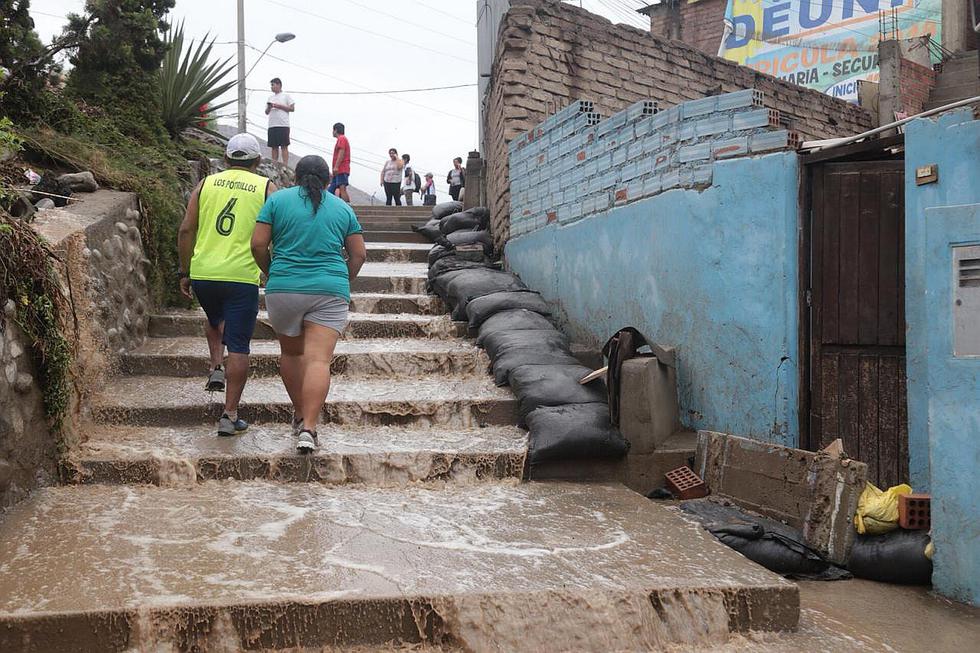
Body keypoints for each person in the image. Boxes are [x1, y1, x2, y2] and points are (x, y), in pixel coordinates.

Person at [251, 155, 367, 453]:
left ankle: (301, 413)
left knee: (291, 354)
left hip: (284, 287)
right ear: (328, 181)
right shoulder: (343, 208)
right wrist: (343, 278)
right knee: (318, 360)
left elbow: (258, 244)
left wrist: (271, 271)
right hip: (329, 290)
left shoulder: (277, 202)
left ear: (295, 177)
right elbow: (359, 254)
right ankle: (309, 429)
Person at [177, 133, 276, 437]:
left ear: (226, 158)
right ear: (258, 160)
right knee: (239, 345)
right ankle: (229, 415)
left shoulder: (205, 184)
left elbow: (186, 230)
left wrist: (185, 271)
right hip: (241, 276)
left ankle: (216, 366)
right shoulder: (265, 187)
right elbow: (278, 231)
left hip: (204, 274)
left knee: (215, 318)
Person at [265, 78, 294, 166]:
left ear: (279, 85)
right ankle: (274, 164)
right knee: (274, 146)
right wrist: (270, 107)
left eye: (273, 85)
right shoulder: (270, 98)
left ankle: (285, 165)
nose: (271, 87)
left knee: (284, 145)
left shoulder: (286, 96)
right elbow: (266, 112)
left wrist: (279, 106)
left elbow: (292, 108)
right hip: (272, 125)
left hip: (283, 124)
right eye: (271, 85)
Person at [328, 122, 351, 204]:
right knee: (331, 189)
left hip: (342, 169)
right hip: (338, 171)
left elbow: (342, 152)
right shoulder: (341, 139)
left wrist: (336, 167)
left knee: (342, 188)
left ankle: (347, 206)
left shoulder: (342, 138)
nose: (332, 132)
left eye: (333, 130)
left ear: (335, 130)